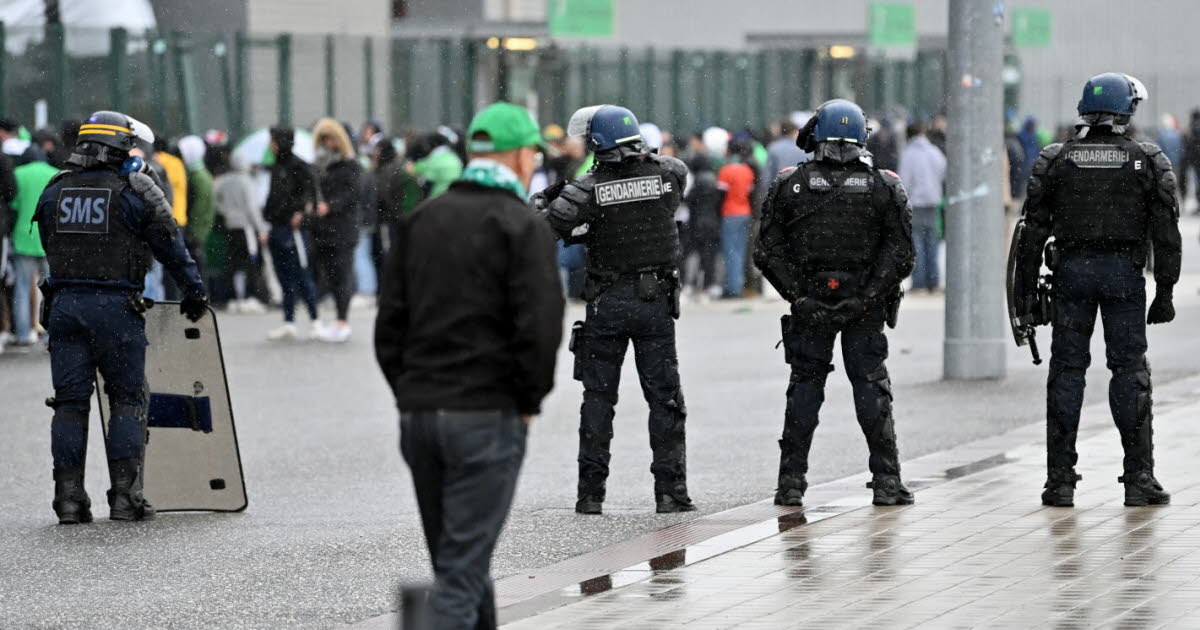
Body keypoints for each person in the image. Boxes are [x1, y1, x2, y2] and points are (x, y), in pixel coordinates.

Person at [375, 101, 563, 630]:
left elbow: (390, 327)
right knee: (459, 578)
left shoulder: (421, 220)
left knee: (459, 563)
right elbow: (540, 326)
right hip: (487, 412)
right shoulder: (521, 224)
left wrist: (411, 391)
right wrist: (527, 401)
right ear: (522, 156)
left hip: (421, 415)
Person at [1008, 73, 1181, 508]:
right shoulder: (1147, 158)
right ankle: (1139, 478)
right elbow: (1166, 234)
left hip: (1071, 275)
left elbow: (1030, 235)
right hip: (1123, 275)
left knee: (1067, 372)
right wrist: (1165, 292)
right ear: (1128, 110)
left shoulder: (1057, 158)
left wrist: (1025, 297)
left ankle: (1060, 482)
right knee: (1129, 371)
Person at [35, 111, 206, 524]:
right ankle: (127, 498)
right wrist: (194, 290)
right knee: (128, 398)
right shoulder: (133, 190)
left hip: (65, 307)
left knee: (70, 404)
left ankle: (69, 499)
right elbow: (169, 244)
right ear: (116, 149)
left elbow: (47, 242)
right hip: (116, 308)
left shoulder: (55, 189)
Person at [755, 99, 916, 508]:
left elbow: (767, 251)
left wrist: (800, 297)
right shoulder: (884, 185)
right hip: (865, 309)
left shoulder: (790, 183)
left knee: (804, 390)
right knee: (871, 388)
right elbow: (901, 255)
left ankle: (791, 484)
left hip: (811, 306)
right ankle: (887, 481)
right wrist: (866, 298)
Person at [537, 104, 695, 515]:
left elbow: (543, 229)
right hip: (656, 302)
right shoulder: (670, 172)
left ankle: (591, 496)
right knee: (664, 399)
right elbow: (668, 184)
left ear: (597, 143)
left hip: (607, 303)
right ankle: (671, 493)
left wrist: (550, 198)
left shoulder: (586, 189)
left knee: (598, 399)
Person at [263, 125, 320, 341]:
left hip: (294, 230)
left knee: (302, 274)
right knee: (284, 276)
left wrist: (301, 215)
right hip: (277, 227)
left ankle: (315, 320)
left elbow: (310, 197)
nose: (271, 145)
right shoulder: (277, 166)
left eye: (274, 140)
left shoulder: (300, 166)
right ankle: (289, 321)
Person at [309, 118, 363, 343]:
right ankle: (338, 319)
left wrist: (330, 206)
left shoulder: (350, 166)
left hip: (342, 228)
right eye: (322, 139)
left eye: (329, 138)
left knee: (342, 274)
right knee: (329, 275)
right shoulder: (320, 166)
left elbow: (352, 194)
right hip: (323, 230)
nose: (326, 143)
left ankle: (343, 320)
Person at [7, 144, 58, 350]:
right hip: (49, 238)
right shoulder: (55, 174)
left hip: (23, 237)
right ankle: (51, 334)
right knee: (52, 289)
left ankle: (22, 333)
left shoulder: (17, 174)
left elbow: (13, 204)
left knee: (21, 286)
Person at [213, 151, 268, 313]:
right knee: (251, 261)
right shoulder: (247, 182)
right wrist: (261, 228)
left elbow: (215, 198)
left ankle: (234, 297)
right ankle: (251, 296)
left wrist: (226, 212)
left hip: (230, 225)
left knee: (233, 262)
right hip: (246, 227)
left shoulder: (224, 180)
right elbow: (252, 208)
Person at [898, 121, 947, 293]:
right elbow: (943, 171)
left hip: (915, 204)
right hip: (933, 203)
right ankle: (933, 282)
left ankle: (918, 282)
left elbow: (904, 181)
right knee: (932, 242)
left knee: (916, 243)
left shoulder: (909, 154)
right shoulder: (934, 152)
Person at [717, 137, 757, 298]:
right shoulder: (747, 170)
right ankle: (738, 285)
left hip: (730, 214)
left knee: (730, 252)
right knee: (740, 251)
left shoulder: (725, 171)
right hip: (745, 212)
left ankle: (733, 288)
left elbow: (720, 196)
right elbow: (752, 193)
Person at [178, 135, 215, 286]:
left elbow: (199, 207)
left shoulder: (197, 177)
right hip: (199, 229)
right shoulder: (200, 174)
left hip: (195, 231)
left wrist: (192, 232)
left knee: (196, 267)